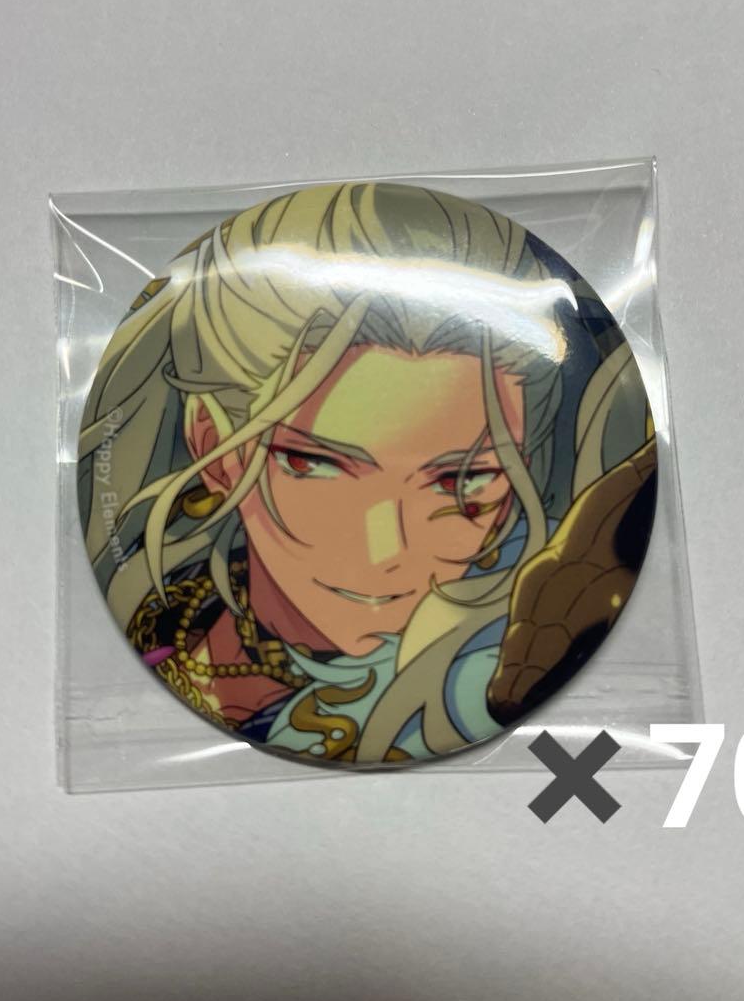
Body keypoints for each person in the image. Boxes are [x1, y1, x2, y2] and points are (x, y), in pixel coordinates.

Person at [79, 182, 655, 764]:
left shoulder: (517, 643)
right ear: (213, 444)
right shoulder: (166, 631)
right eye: (315, 464)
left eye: (461, 480)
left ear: (522, 464)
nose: (386, 552)